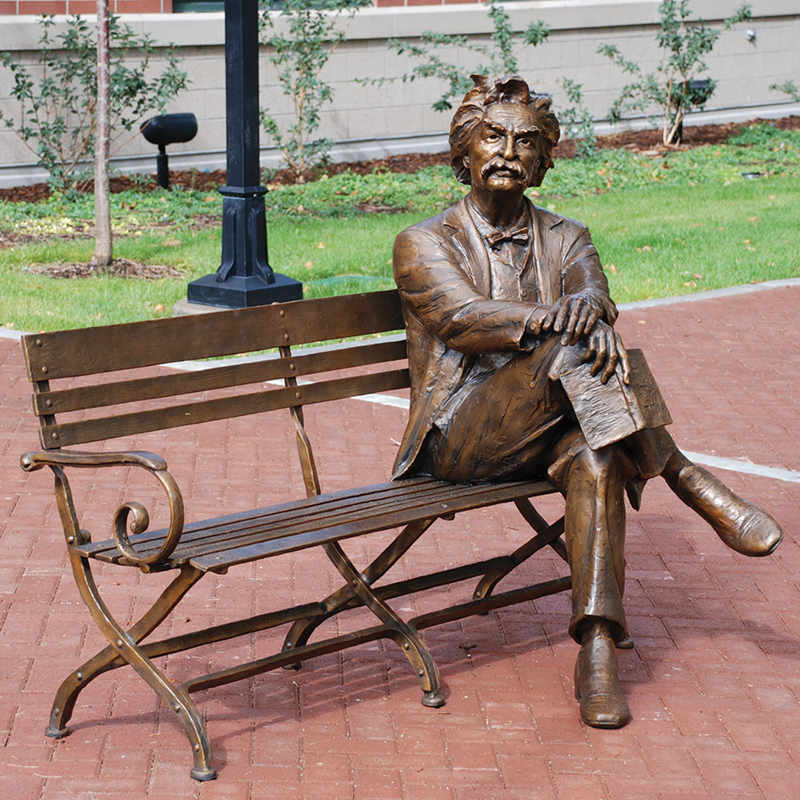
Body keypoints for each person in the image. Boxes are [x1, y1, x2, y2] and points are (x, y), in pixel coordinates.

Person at [391, 74, 783, 728]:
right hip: (458, 438)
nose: (509, 152)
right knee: (575, 345)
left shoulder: (567, 235)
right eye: (493, 137)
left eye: (526, 142)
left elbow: (596, 296)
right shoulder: (423, 242)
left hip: (548, 429)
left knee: (597, 461)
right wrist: (564, 320)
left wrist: (585, 309)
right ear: (464, 152)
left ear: (544, 161)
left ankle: (597, 650)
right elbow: (463, 318)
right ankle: (683, 474)